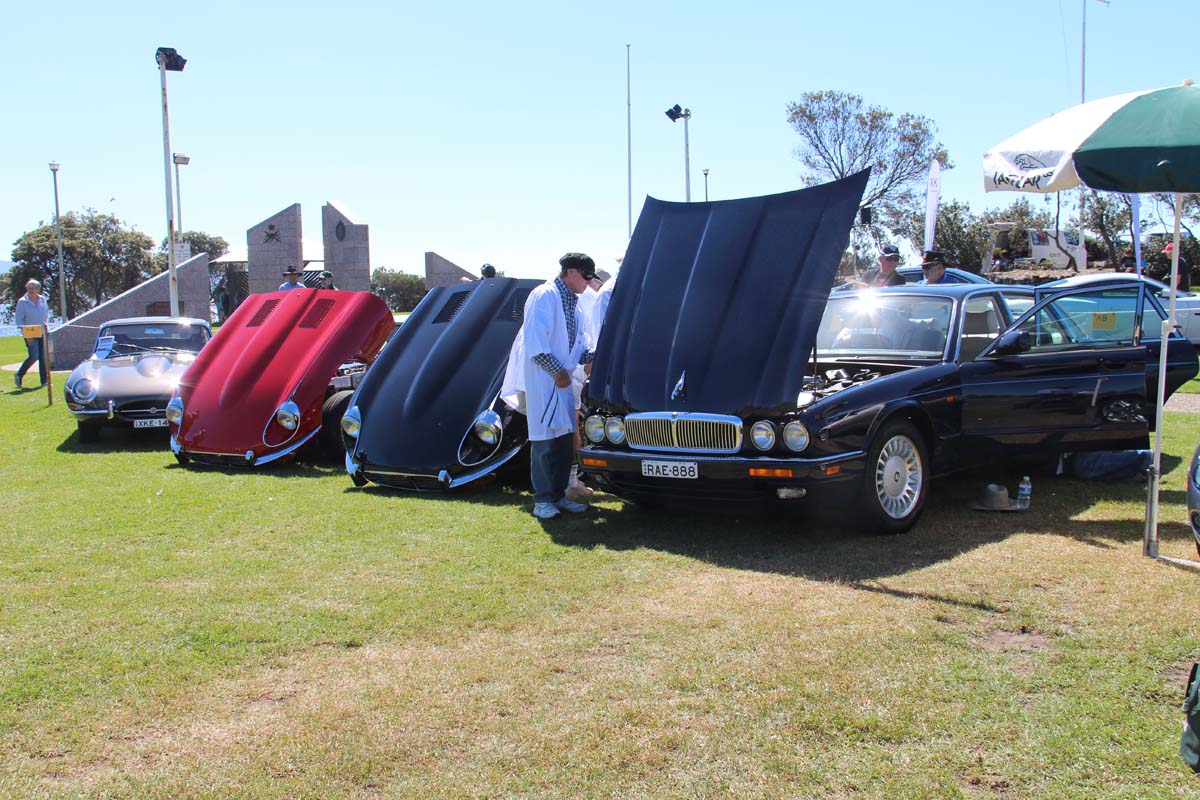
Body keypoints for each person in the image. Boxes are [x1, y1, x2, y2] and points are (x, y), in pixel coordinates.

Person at [501, 252, 596, 519]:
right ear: (573, 272)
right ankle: (543, 499)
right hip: (545, 381)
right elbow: (535, 342)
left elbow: (579, 345)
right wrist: (557, 372)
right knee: (544, 442)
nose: (588, 283)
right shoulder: (544, 295)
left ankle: (559, 495)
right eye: (587, 277)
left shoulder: (575, 306)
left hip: (563, 383)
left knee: (564, 440)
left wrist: (598, 356)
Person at [14, 278, 50, 388]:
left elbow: (45, 314)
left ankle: (44, 381)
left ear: (37, 289)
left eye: (33, 288)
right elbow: (19, 320)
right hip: (29, 332)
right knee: (34, 356)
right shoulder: (22, 301)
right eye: (29, 288)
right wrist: (26, 335)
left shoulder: (43, 299)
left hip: (42, 331)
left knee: (43, 357)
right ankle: (19, 374)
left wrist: (46, 327)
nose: (31, 290)